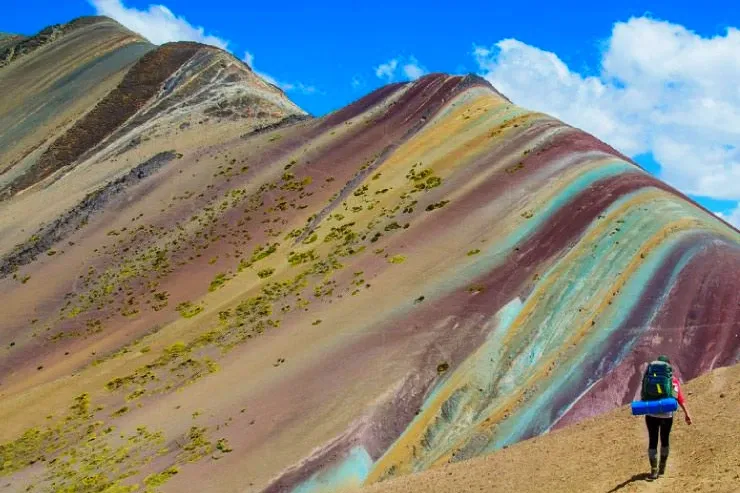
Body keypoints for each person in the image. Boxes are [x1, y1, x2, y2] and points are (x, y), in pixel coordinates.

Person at [643, 355, 692, 480]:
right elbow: (678, 398)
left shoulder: (649, 378)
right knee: (665, 440)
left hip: (651, 414)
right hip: (667, 415)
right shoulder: (673, 380)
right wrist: (687, 414)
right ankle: (662, 466)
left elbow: (644, 395)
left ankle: (654, 471)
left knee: (652, 441)